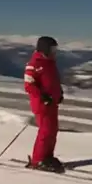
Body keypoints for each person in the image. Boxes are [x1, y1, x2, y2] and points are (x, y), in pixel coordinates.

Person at [23, 36, 65, 173]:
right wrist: (42, 96)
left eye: (55, 49)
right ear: (44, 49)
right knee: (45, 131)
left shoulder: (50, 62)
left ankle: (48, 156)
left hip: (52, 103)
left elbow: (53, 81)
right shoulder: (34, 63)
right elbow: (29, 85)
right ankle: (38, 159)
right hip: (42, 104)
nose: (54, 52)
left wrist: (59, 94)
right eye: (52, 49)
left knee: (53, 130)